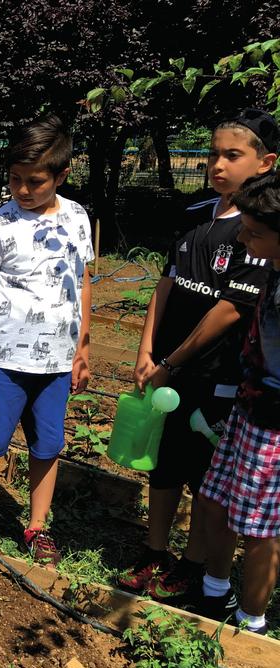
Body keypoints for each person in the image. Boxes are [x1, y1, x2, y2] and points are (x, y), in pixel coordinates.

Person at [118, 109, 278, 601]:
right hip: (168, 366)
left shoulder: (258, 230)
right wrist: (149, 350)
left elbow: (231, 310)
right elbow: (166, 284)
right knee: (162, 460)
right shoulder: (194, 215)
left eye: (233, 155)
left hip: (218, 376)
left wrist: (173, 361)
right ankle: (154, 551)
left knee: (204, 472)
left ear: (266, 163)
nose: (218, 165)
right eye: (213, 154)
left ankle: (193, 564)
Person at [0, 114, 92, 565]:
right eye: (15, 179)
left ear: (62, 174)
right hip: (2, 358)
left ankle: (37, 527)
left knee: (48, 445)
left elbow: (83, 283)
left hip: (56, 361)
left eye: (34, 181)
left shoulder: (77, 217)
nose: (22, 190)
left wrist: (82, 347)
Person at [196, 172, 280, 634]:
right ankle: (213, 591)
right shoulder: (271, 269)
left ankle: (252, 622)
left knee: (260, 525)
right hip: (251, 406)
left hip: (274, 421)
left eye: (254, 233)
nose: (245, 239)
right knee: (216, 499)